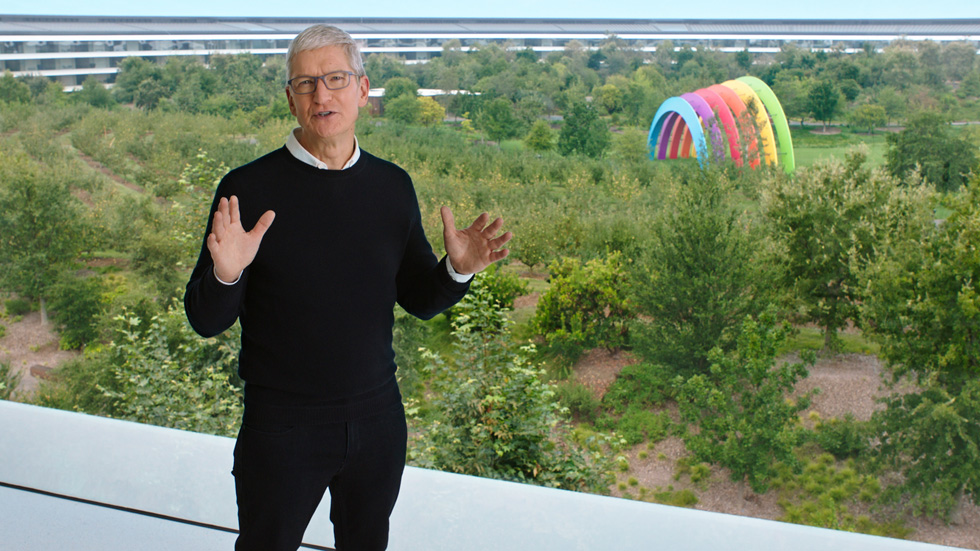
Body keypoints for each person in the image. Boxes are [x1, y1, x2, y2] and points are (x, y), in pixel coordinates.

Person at [184, 24, 511, 551]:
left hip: (378, 419)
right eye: (306, 83)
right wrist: (228, 273)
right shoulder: (246, 188)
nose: (322, 95)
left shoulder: (392, 186)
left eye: (335, 79)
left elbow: (419, 299)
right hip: (282, 426)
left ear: (362, 90)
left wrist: (458, 271)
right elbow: (205, 320)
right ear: (290, 99)